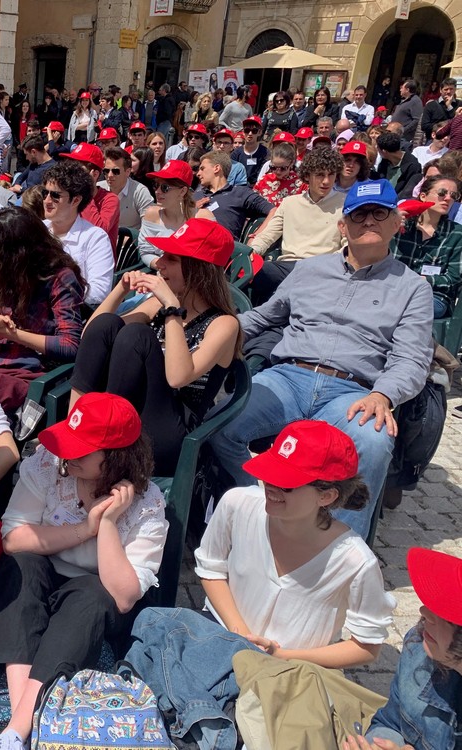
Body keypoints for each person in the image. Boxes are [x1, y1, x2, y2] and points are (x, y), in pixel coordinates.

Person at [212, 180, 434, 540]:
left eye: (379, 213)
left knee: (372, 443)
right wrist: (213, 332)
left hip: (353, 392)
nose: (369, 221)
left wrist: (383, 395)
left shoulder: (413, 288)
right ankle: (263, 511)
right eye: (359, 215)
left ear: (397, 223)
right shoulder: (310, 270)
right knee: (220, 423)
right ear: (342, 226)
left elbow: (412, 358)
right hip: (287, 378)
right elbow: (265, 316)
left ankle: (336, 550)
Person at [0, 393, 166, 750]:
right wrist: (85, 529)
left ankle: (16, 730)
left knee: (91, 594)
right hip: (44, 571)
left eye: (81, 451)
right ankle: (21, 727)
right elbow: (13, 539)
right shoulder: (48, 465)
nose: (67, 455)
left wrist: (108, 523)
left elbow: (123, 597)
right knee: (21, 565)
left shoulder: (147, 503)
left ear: (117, 458)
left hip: (95, 596)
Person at [198, 420, 395, 667]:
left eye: (286, 485)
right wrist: (241, 637)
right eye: (269, 473)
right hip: (224, 635)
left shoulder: (356, 561)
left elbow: (366, 647)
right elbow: (211, 569)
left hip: (295, 670)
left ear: (326, 496)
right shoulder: (236, 503)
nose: (270, 487)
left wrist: (281, 656)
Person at [69, 218, 240, 475]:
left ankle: (103, 441)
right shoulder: (156, 305)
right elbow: (92, 336)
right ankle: (75, 428)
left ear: (199, 270)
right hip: (133, 415)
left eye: (171, 259)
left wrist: (172, 308)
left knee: (137, 335)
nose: (159, 264)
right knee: (107, 324)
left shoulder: (224, 324)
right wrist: (120, 290)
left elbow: (178, 377)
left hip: (173, 433)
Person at [0, 207, 85, 411]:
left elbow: (70, 346)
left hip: (31, 376)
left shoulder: (59, 278)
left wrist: (12, 334)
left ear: (15, 254)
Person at [349, 547, 462, 749]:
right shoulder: (418, 647)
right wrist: (378, 744)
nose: (424, 612)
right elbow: (390, 722)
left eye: (446, 614)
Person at [248, 146, 345, 305]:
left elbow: (348, 245)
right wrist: (252, 251)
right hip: (288, 266)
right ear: (307, 176)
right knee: (250, 272)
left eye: (331, 175)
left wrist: (331, 265)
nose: (326, 181)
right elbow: (268, 235)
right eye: (320, 175)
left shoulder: (346, 204)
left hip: (325, 268)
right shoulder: (289, 203)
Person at [41, 161, 114, 306]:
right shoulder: (37, 229)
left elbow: (100, 292)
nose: (47, 201)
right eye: (45, 193)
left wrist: (55, 293)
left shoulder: (95, 238)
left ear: (75, 200)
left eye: (55, 195)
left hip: (72, 312)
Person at [391, 174, 462, 319]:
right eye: (442, 193)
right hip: (394, 289)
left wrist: (423, 280)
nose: (448, 198)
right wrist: (389, 227)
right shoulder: (401, 226)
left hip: (433, 295)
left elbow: (453, 278)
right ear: (423, 196)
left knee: (411, 306)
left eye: (453, 195)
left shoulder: (456, 233)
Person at [136, 159, 216, 268]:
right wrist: (164, 268)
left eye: (165, 188)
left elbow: (209, 259)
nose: (157, 191)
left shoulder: (203, 218)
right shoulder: (152, 214)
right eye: (156, 185)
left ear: (182, 191)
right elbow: (146, 251)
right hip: (161, 272)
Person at [194, 150, 272, 239]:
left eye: (202, 168)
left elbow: (273, 211)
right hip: (193, 244)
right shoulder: (195, 196)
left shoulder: (240, 193)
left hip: (226, 246)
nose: (198, 174)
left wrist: (257, 236)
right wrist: (192, 210)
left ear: (216, 168)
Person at [60, 143, 120, 250]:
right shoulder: (69, 195)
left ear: (95, 174)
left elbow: (100, 232)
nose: (71, 173)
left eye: (78, 170)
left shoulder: (110, 199)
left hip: (98, 255)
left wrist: (86, 190)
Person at [97, 146, 154, 230]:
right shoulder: (97, 189)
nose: (109, 175)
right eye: (106, 171)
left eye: (115, 171)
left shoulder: (140, 192)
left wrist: (129, 237)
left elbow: (149, 227)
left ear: (127, 172)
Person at [252, 141, 306, 206]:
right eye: (274, 167)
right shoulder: (264, 180)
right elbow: (253, 202)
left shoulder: (301, 184)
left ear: (291, 163)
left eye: (283, 168)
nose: (278, 172)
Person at [375, 131, 422, 199]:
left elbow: (408, 191)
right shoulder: (384, 163)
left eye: (378, 148)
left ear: (384, 151)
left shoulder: (413, 166)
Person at [232, 115, 270, 184]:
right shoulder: (236, 153)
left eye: (254, 131)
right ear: (243, 132)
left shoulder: (265, 153)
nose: (250, 134)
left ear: (259, 132)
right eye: (247, 130)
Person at [390, 79, 423, 143]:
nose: (400, 90)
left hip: (404, 137)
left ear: (407, 90)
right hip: (395, 134)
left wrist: (403, 130)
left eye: (402, 88)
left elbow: (416, 120)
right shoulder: (405, 100)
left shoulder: (415, 101)